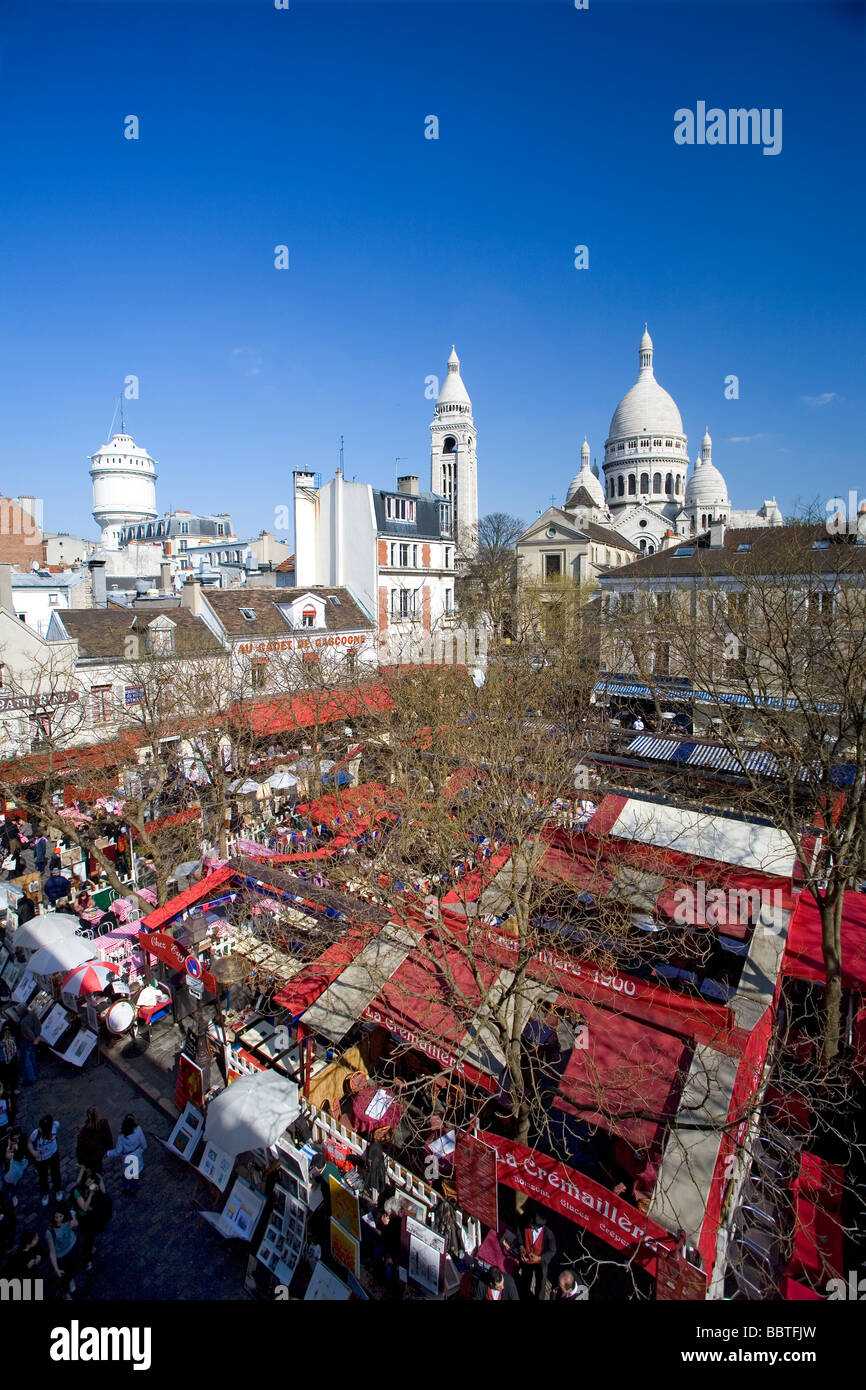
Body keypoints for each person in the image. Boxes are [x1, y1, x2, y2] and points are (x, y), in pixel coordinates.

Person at [71, 1168, 113, 1271]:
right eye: (88, 1181)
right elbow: (84, 1208)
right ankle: (87, 1260)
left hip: (94, 1214)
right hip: (85, 1218)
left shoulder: (95, 1180)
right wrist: (90, 1194)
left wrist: (95, 1190)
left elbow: (103, 1192)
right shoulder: (77, 1191)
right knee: (88, 1240)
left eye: (92, 1181)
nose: (90, 1183)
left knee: (92, 1234)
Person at [517, 1209, 556, 1301]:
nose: (530, 1224)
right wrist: (521, 1246)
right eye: (531, 1221)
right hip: (527, 1262)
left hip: (541, 1263)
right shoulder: (526, 1222)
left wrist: (539, 1258)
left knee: (540, 1289)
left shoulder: (549, 1234)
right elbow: (519, 1230)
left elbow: (552, 1251)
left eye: (532, 1224)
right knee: (525, 1283)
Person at [28, 1114, 63, 1205]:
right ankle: (45, 1193)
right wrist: (33, 1152)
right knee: (43, 1177)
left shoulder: (55, 1126)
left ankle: (57, 1189)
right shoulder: (36, 1133)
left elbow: (57, 1123)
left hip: (53, 1154)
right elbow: (29, 1143)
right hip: (41, 1159)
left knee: (56, 1173)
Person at [107, 1114, 147, 1192]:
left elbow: (118, 1151)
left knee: (126, 1175)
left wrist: (108, 1153)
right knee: (135, 1173)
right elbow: (144, 1144)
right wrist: (140, 1150)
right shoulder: (138, 1130)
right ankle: (133, 1187)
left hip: (127, 1158)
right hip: (137, 1155)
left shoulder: (121, 1137)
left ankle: (127, 1187)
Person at [46, 1205, 79, 1298]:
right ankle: (66, 1293)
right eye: (56, 1217)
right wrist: (56, 1269)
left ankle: (71, 1279)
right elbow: (52, 1252)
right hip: (61, 1255)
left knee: (73, 1268)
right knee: (63, 1276)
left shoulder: (68, 1219)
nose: (59, 1219)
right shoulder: (50, 1232)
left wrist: (75, 1222)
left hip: (72, 1247)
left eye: (61, 1216)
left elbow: (75, 1220)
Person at [75, 1109, 113, 1174]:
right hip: (98, 1155)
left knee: (93, 1172)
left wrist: (81, 1162)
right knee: (97, 1170)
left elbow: (79, 1149)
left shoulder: (83, 1133)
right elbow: (109, 1138)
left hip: (90, 1158)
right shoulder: (104, 1124)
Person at [3, 1127, 28, 1205]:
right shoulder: (4, 1143)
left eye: (18, 1138)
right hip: (6, 1166)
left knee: (15, 1182)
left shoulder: (22, 1140)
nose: (17, 1140)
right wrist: (6, 1157)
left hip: (17, 1165)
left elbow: (24, 1151)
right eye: (15, 1138)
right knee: (5, 1182)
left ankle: (14, 1195)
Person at [18, 1004, 41, 1085]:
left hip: (27, 1042)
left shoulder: (23, 1022)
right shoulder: (32, 1014)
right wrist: (37, 1036)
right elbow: (38, 1024)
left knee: (27, 1060)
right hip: (34, 1039)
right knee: (32, 1056)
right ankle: (35, 1071)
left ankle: (31, 1078)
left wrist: (33, 1039)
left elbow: (28, 1033)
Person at [0, 1020, 18, 1094]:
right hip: (10, 1057)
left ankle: (9, 1090)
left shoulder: (5, 1024)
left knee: (6, 1075)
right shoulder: (5, 1023)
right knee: (11, 1074)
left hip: (4, 1059)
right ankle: (13, 1089)